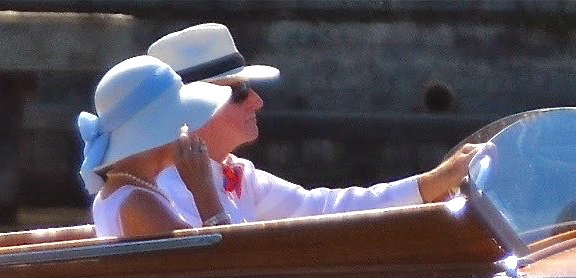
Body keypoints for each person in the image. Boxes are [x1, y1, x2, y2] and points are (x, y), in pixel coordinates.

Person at [145, 23, 478, 225]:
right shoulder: (162, 192)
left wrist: (433, 181)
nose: (257, 101)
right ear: (194, 107)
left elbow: (325, 207)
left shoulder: (239, 174)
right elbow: (216, 276)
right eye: (240, 92)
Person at [77, 55, 231, 239]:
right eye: (182, 119)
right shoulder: (139, 203)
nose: (190, 129)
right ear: (162, 127)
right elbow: (227, 255)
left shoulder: (122, 191)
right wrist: (203, 189)